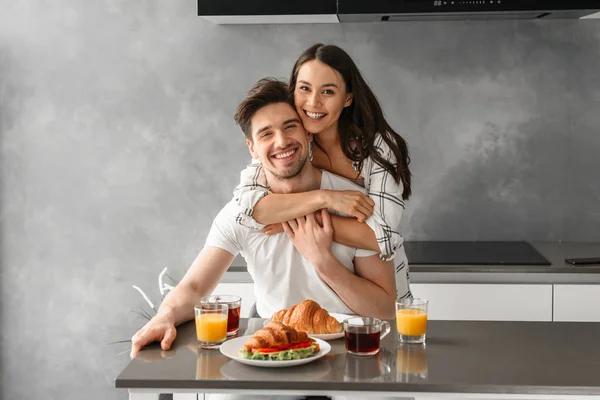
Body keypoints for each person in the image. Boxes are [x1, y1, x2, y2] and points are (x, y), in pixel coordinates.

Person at [130, 78, 397, 364]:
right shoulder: (241, 213)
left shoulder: (352, 202)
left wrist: (324, 263)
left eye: (290, 126)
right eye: (266, 134)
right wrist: (165, 316)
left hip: (351, 349)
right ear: (252, 148)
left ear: (308, 133)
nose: (281, 141)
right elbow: (194, 287)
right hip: (272, 352)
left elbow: (383, 308)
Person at [233, 43, 413, 301]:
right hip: (317, 291)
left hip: (377, 291)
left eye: (327, 91)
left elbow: (381, 238)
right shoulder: (288, 145)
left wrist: (293, 220)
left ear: (348, 98)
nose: (313, 102)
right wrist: (326, 198)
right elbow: (251, 208)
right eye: (304, 88)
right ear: (292, 90)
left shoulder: (378, 149)